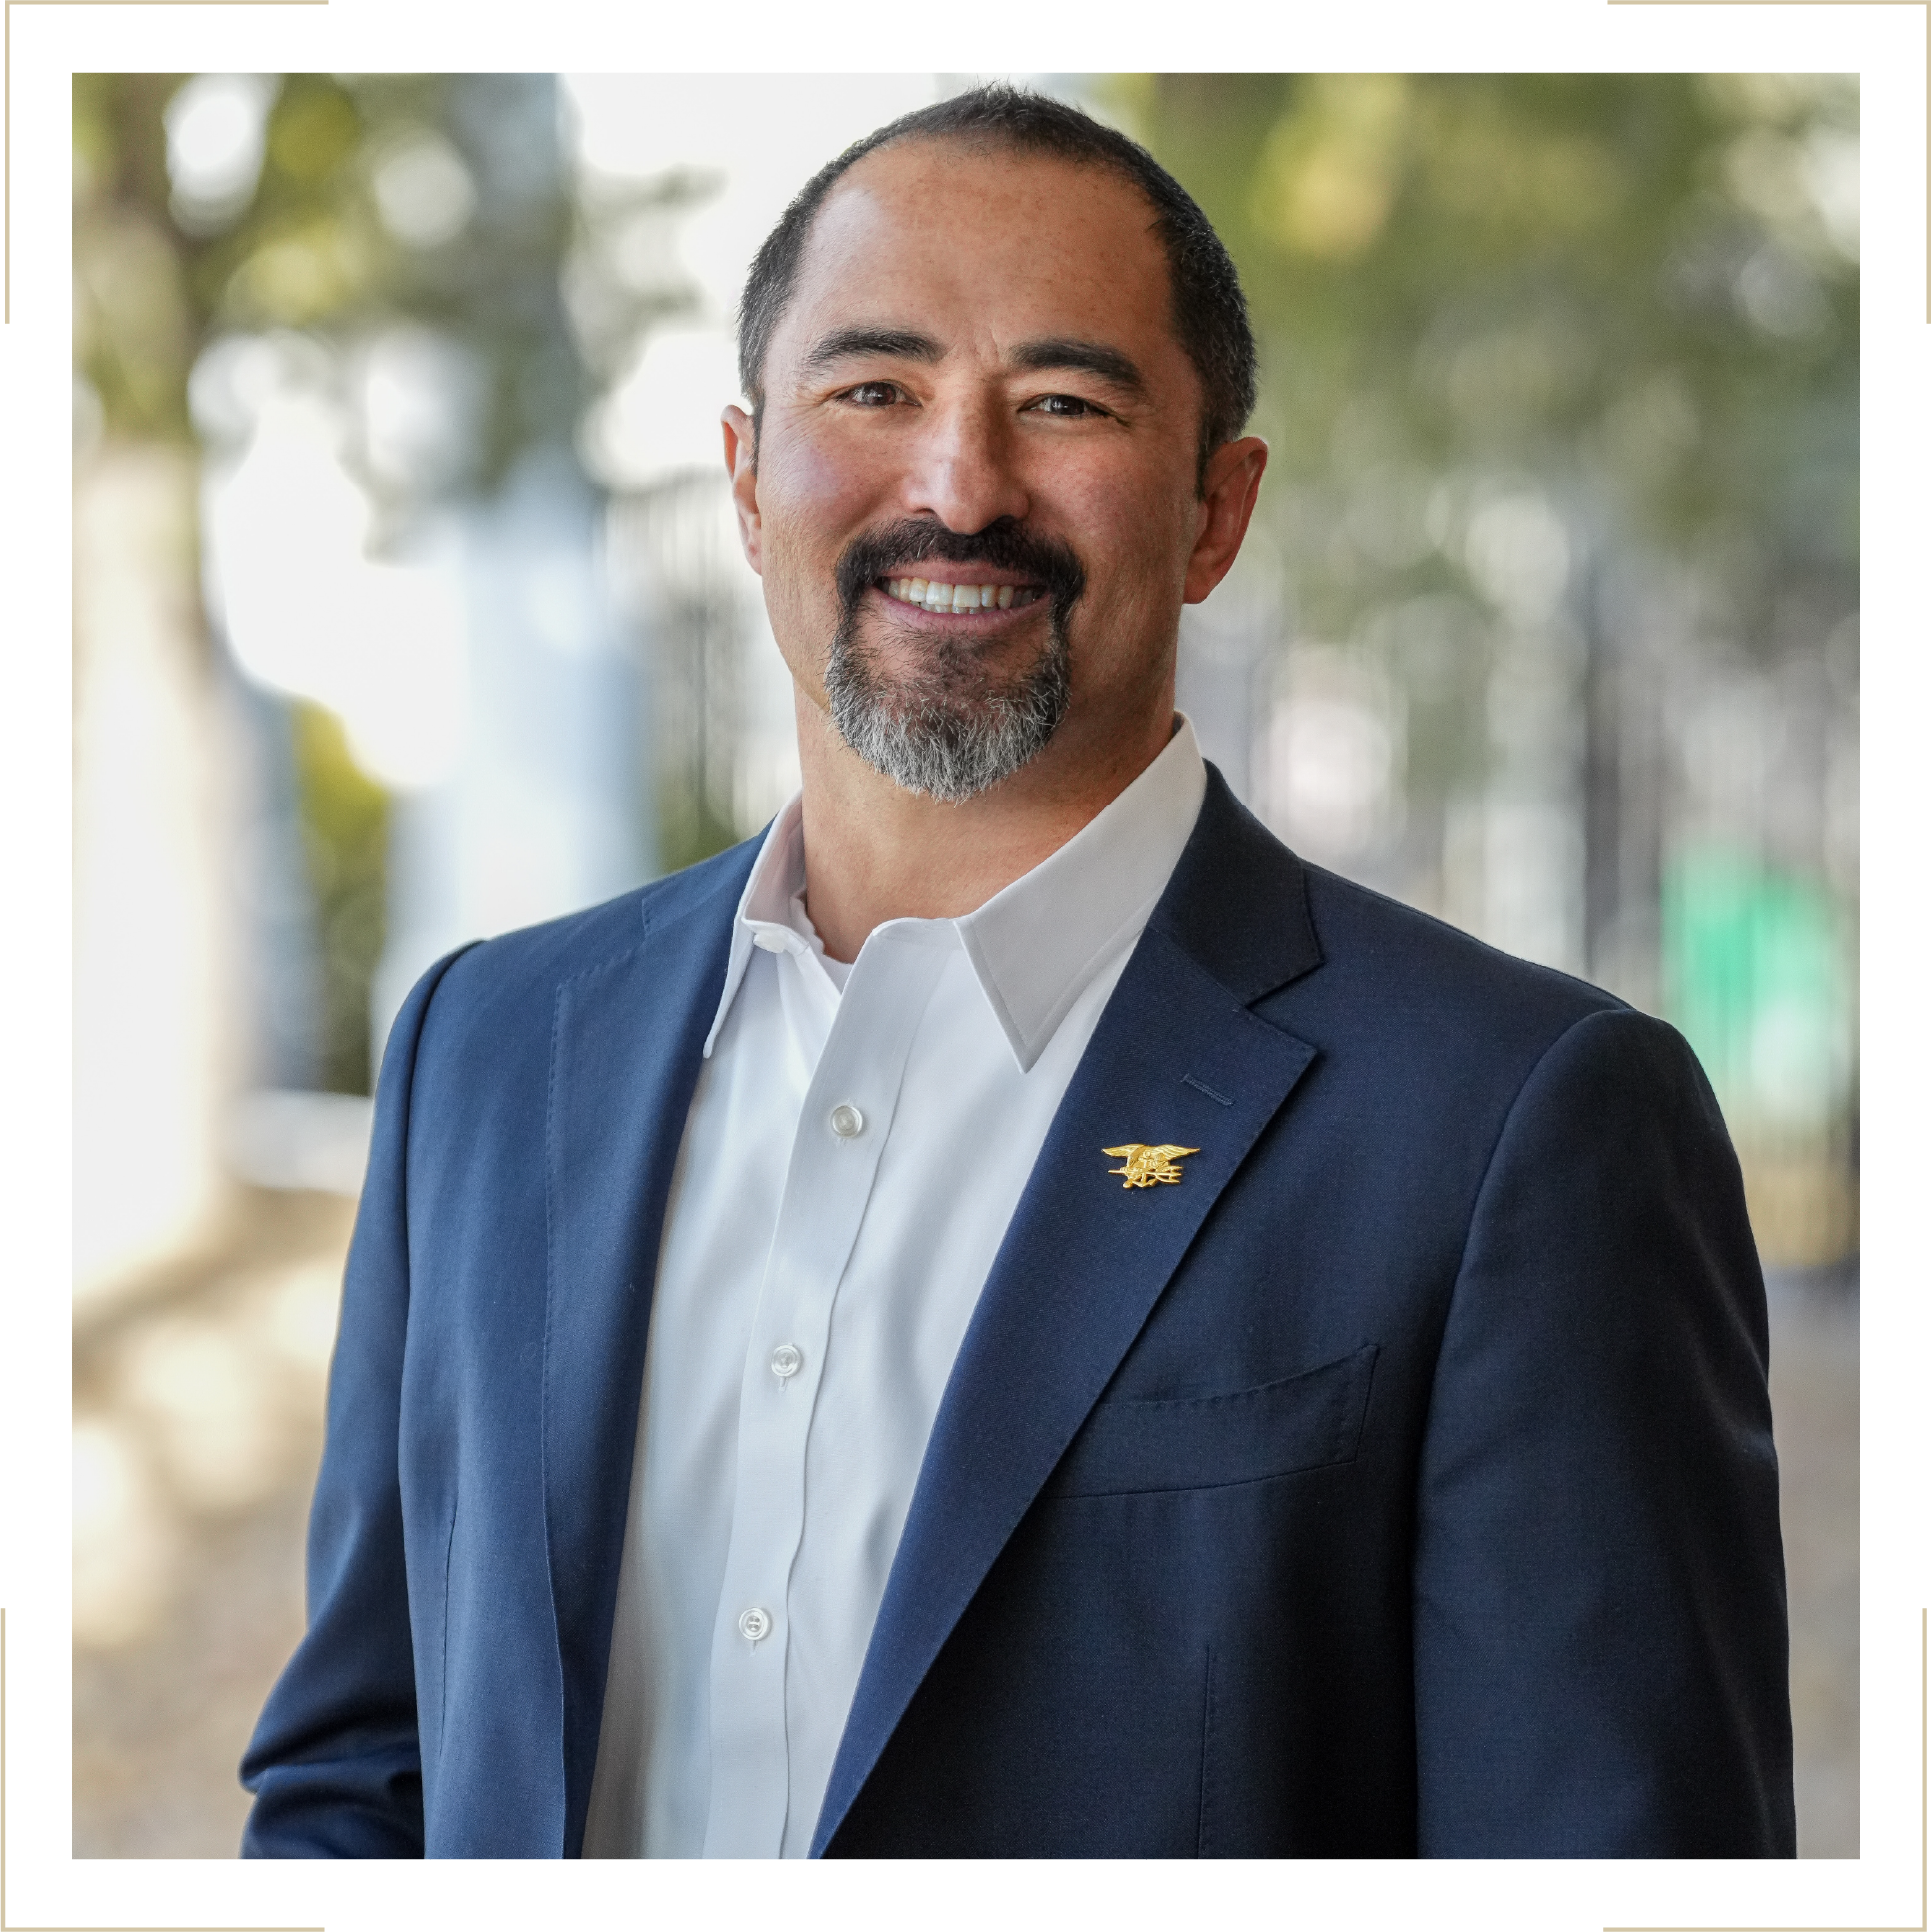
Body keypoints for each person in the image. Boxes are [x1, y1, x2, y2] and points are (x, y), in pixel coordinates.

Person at [240, 86, 1794, 1866]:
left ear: (1217, 510)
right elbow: (361, 1776)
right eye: (872, 390)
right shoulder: (491, 1052)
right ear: (748, 480)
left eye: (1063, 403)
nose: (958, 486)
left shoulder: (1515, 1121)